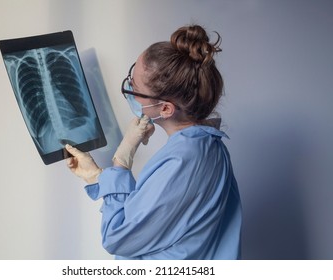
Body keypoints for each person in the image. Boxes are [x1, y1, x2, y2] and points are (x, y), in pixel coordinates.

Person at [65, 24, 242, 260]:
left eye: (135, 87)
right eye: (131, 75)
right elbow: (161, 219)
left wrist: (121, 161)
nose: (128, 87)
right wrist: (98, 177)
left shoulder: (181, 161)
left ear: (166, 108)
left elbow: (117, 237)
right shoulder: (208, 144)